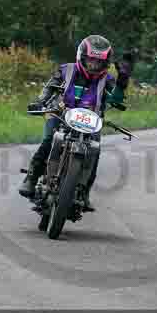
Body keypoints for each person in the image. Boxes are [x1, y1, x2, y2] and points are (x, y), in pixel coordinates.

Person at [18, 35, 133, 210]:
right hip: (59, 113)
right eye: (90, 61)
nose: (94, 66)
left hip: (90, 121)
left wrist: (122, 81)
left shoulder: (107, 79)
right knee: (49, 139)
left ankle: (84, 192)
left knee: (94, 150)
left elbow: (117, 100)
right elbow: (49, 87)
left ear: (106, 63)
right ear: (82, 56)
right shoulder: (66, 70)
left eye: (99, 63)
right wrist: (41, 101)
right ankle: (31, 178)